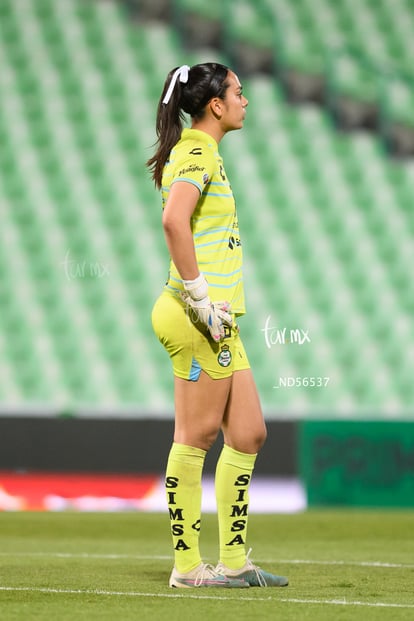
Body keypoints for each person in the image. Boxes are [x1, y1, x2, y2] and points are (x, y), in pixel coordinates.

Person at [147, 62, 289, 589]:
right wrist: (202, 299)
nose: (246, 100)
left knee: (249, 433)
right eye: (239, 92)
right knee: (196, 436)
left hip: (217, 318)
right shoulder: (197, 151)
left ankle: (234, 561)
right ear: (216, 104)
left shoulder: (205, 153)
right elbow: (172, 220)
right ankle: (188, 569)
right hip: (195, 314)